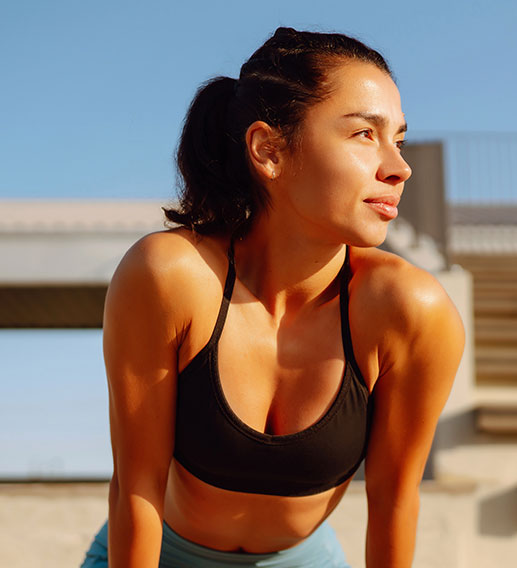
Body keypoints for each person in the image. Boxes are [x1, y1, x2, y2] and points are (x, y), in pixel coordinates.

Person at [81, 26, 465, 568]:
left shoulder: (409, 310)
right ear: (268, 150)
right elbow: (135, 489)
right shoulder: (171, 277)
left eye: (397, 140)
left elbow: (394, 502)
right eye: (363, 135)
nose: (398, 167)